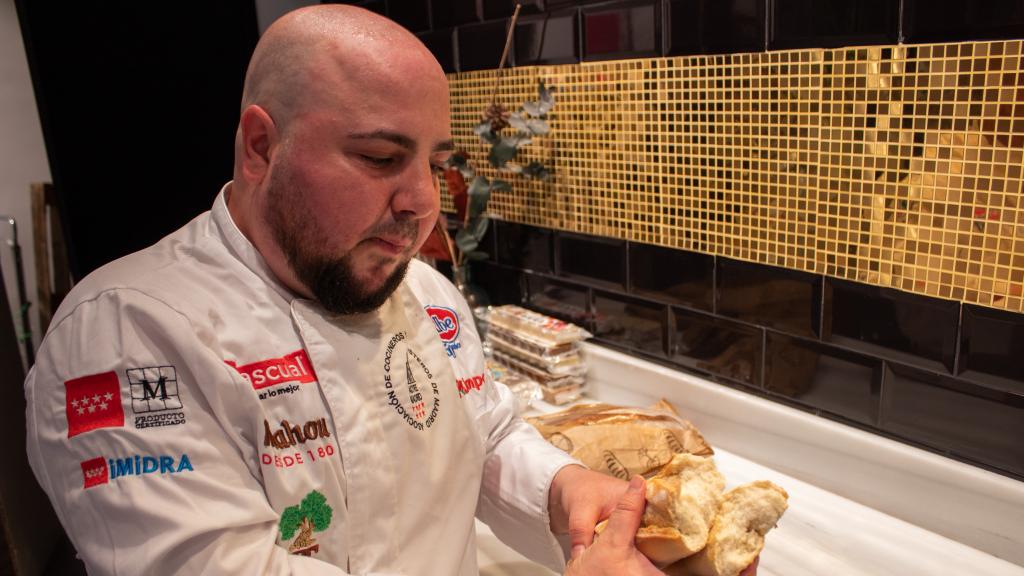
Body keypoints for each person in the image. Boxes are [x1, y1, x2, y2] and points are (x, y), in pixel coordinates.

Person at [24, 5, 756, 576]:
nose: (422, 202)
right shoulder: (124, 335)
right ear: (260, 147)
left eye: (435, 162)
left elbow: (487, 437)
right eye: (380, 157)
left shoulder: (428, 297)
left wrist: (566, 492)